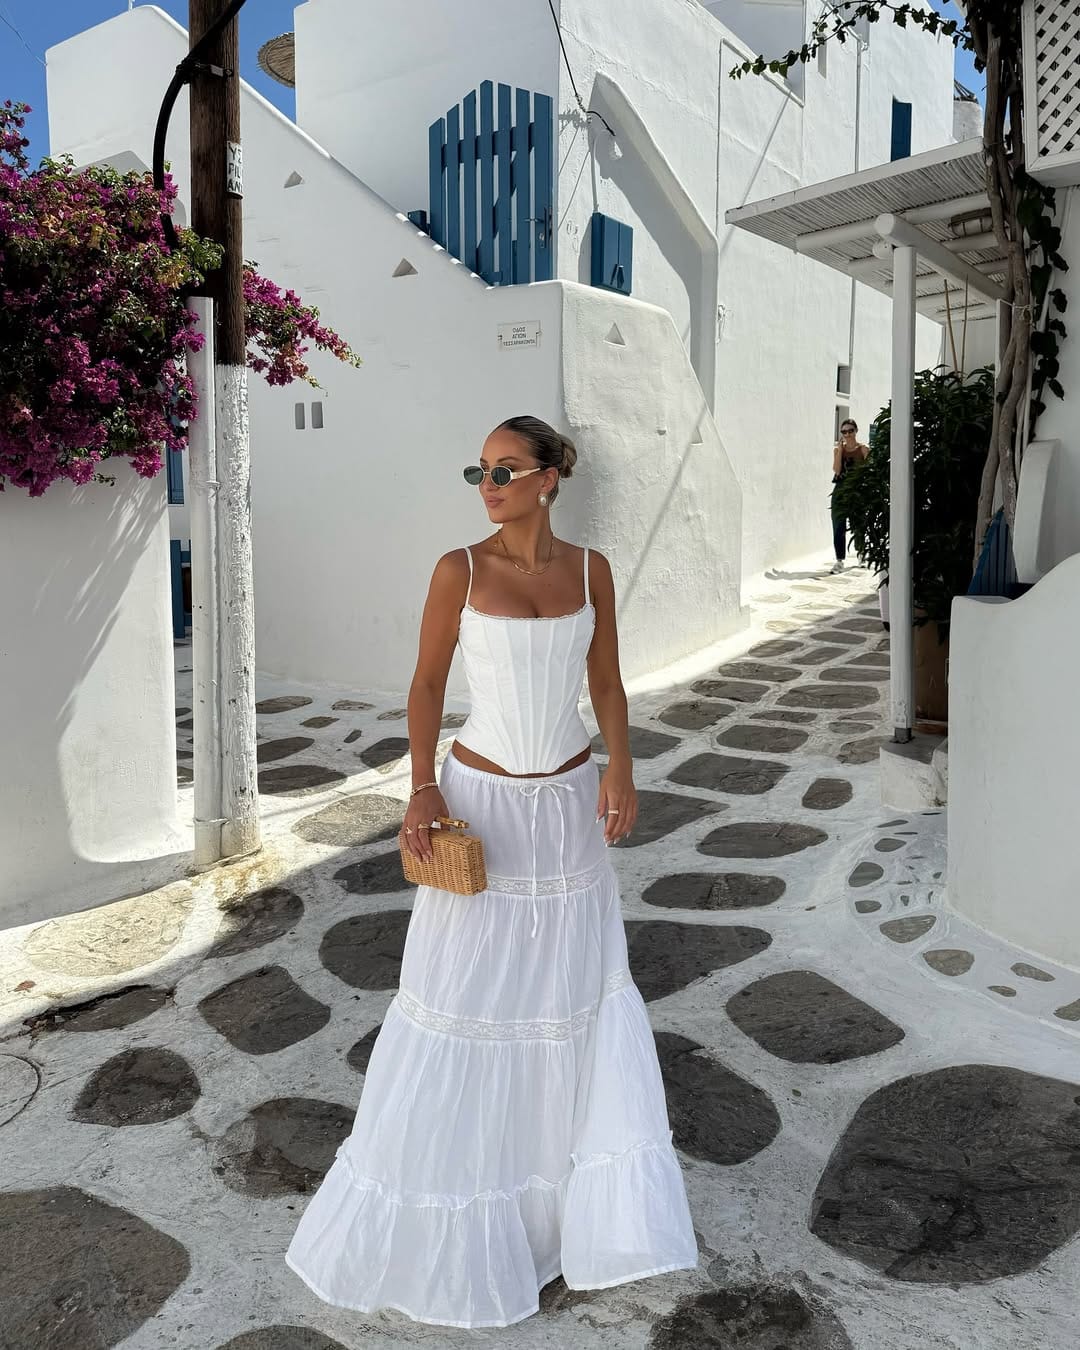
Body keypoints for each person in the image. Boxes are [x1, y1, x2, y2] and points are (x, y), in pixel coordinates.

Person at [286, 415, 697, 1328]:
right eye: (479, 470)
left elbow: (607, 684)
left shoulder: (590, 570)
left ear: (550, 478)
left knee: (568, 995)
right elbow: (427, 685)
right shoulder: (459, 571)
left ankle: (554, 1212)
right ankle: (466, 1204)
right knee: (468, 996)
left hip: (568, 807)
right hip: (484, 803)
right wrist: (420, 786)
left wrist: (621, 769)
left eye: (506, 470)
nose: (489, 484)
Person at [829, 418, 870, 573]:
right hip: (840, 491)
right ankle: (839, 560)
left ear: (856, 431)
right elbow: (837, 470)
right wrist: (840, 450)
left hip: (857, 490)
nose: (847, 434)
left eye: (850, 431)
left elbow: (869, 471)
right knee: (838, 524)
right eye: (844, 432)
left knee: (858, 523)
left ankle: (861, 553)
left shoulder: (864, 449)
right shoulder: (838, 450)